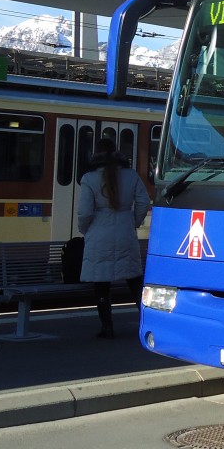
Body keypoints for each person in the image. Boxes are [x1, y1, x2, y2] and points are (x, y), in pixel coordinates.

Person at [78, 138, 152, 339]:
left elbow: (85, 212)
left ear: (96, 154)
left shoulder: (89, 178)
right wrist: (134, 222)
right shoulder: (131, 175)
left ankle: (107, 327)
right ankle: (149, 322)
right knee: (134, 282)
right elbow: (144, 201)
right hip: (125, 232)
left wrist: (85, 229)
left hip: (98, 234)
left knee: (101, 283)